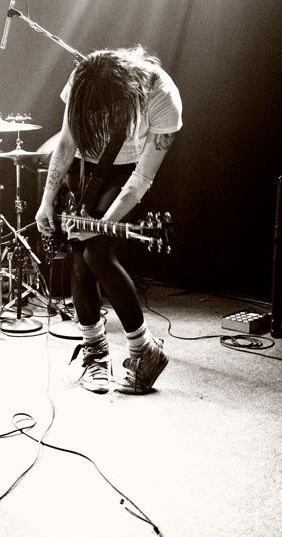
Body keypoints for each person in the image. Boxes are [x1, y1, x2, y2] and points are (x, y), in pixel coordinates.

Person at [34, 46, 182, 394]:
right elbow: (66, 144)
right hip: (85, 166)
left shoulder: (162, 98)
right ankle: (96, 354)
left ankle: (144, 351)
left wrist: (99, 225)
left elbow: (142, 178)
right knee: (78, 253)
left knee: (98, 251)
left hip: (126, 172)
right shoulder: (83, 78)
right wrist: (46, 200)